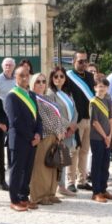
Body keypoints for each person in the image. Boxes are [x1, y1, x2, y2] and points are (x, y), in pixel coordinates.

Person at [3, 65, 42, 211]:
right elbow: (15, 121)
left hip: (32, 140)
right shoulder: (11, 96)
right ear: (15, 77)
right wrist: (31, 136)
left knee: (28, 170)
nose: (25, 78)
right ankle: (14, 200)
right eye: (21, 76)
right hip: (19, 139)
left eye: (27, 75)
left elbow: (37, 117)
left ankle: (24, 197)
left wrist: (38, 133)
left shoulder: (31, 95)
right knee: (17, 171)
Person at [29, 72, 66, 206]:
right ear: (32, 83)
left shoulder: (48, 98)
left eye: (43, 81)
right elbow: (43, 119)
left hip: (56, 136)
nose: (41, 84)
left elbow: (58, 117)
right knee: (41, 167)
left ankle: (50, 193)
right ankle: (39, 195)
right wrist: (57, 131)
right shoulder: (33, 98)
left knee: (53, 166)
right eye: (38, 81)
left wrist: (61, 131)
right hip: (45, 136)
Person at [63, 51, 94, 192]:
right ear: (73, 62)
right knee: (73, 151)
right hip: (76, 120)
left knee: (85, 151)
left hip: (89, 118)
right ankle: (70, 181)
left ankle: (82, 180)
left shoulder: (89, 76)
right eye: (80, 61)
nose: (83, 64)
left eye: (85, 61)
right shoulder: (69, 77)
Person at [48, 67, 78, 197]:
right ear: (52, 78)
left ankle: (62, 186)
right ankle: (55, 187)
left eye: (61, 76)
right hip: (58, 131)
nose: (59, 79)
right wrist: (67, 126)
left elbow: (75, 110)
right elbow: (54, 114)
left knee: (64, 158)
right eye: (56, 76)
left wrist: (73, 125)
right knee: (57, 159)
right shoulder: (50, 94)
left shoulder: (67, 93)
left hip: (69, 131)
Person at [89, 74, 112, 203]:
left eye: (104, 86)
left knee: (105, 164)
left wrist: (110, 135)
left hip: (108, 136)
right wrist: (104, 136)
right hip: (97, 137)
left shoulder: (108, 100)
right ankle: (96, 192)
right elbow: (94, 122)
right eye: (99, 86)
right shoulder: (93, 102)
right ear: (95, 87)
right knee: (97, 164)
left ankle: (103, 189)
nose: (102, 89)